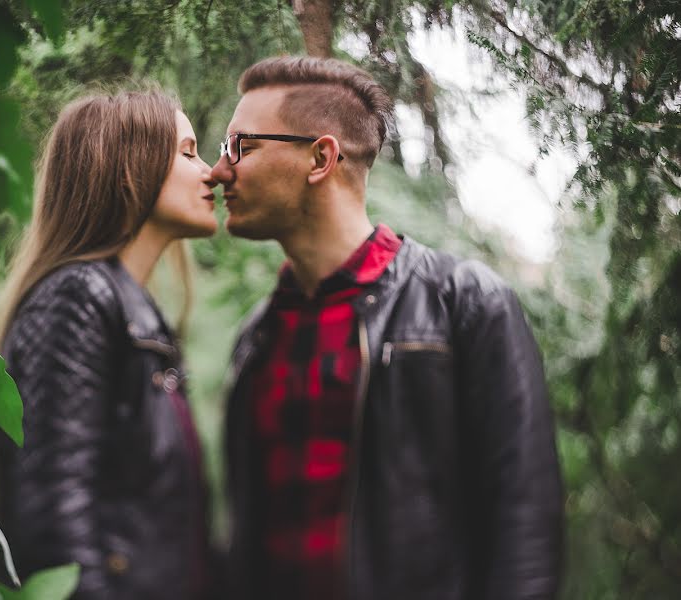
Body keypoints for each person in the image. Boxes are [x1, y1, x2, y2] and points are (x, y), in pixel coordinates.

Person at [212, 56, 563, 600]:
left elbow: (526, 531)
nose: (220, 170)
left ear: (320, 158)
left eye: (242, 147)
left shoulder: (465, 305)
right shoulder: (257, 337)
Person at [0, 89, 217, 599]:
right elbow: (54, 520)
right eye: (188, 151)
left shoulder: (138, 313)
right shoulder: (79, 299)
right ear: (131, 168)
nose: (213, 171)